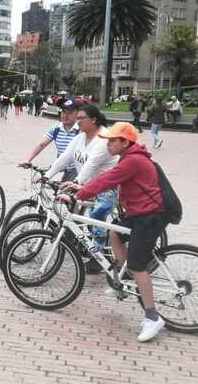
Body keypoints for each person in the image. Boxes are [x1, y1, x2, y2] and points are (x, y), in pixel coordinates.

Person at [65, 122, 169, 342]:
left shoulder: (133, 160)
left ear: (125, 142)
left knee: (138, 265)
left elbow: (108, 179)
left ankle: (152, 317)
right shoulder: (129, 157)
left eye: (112, 140)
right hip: (137, 213)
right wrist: (81, 188)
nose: (108, 143)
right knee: (114, 233)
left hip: (148, 217)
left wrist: (78, 196)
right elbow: (107, 178)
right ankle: (123, 282)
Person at [46, 105, 119, 273]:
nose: (77, 122)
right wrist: (47, 176)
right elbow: (65, 157)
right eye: (77, 118)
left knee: (96, 216)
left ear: (93, 120)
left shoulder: (103, 139)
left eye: (81, 119)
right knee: (73, 211)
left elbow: (91, 165)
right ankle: (78, 242)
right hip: (88, 185)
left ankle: (98, 258)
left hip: (107, 186)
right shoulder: (81, 136)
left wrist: (77, 182)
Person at [21, 99, 80, 180]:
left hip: (78, 169)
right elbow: (41, 144)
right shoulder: (56, 128)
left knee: (65, 191)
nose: (65, 115)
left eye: (69, 113)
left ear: (77, 114)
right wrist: (28, 159)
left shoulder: (81, 130)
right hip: (62, 167)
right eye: (63, 112)